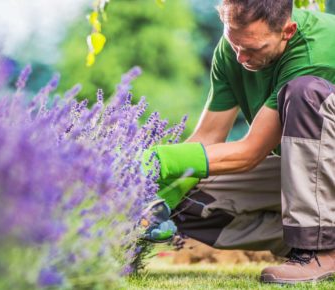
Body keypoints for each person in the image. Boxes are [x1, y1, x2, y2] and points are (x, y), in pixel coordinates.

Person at [143, 0, 335, 284]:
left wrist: (161, 159)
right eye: (235, 45)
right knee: (192, 204)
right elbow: (207, 138)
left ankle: (320, 250)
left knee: (305, 92)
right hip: (315, 177)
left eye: (253, 49)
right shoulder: (235, 47)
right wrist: (161, 198)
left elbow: (251, 152)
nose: (241, 59)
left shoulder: (316, 51)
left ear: (288, 31)